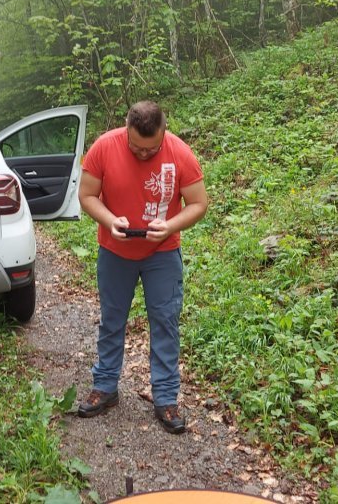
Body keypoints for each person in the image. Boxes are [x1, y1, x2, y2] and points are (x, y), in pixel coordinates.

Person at [77, 100, 208, 434]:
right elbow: (87, 195)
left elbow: (198, 203)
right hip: (115, 253)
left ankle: (165, 397)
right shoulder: (104, 147)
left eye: (153, 148)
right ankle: (105, 387)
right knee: (112, 319)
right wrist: (110, 220)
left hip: (162, 254)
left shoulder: (180, 153)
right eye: (137, 147)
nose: (145, 154)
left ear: (164, 130)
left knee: (165, 321)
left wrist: (171, 225)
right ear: (126, 128)